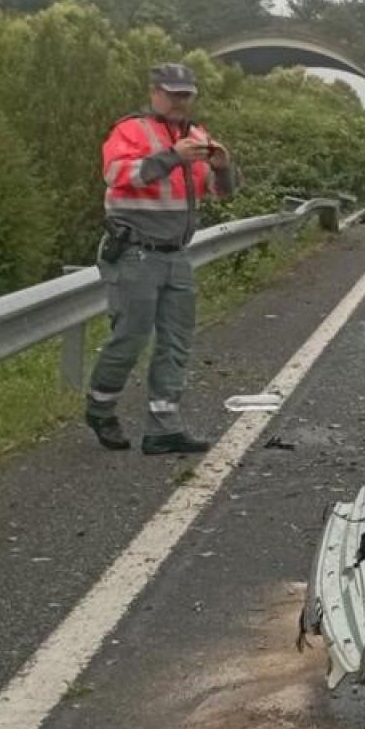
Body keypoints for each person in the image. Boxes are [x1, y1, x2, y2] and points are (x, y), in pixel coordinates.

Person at [84, 63, 237, 454]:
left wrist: (222, 168)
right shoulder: (131, 130)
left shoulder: (197, 135)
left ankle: (163, 427)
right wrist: (171, 156)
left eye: (185, 94)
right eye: (171, 93)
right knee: (131, 338)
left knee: (177, 340)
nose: (178, 101)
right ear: (154, 93)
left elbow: (220, 192)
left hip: (176, 255)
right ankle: (100, 408)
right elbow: (117, 175)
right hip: (135, 252)